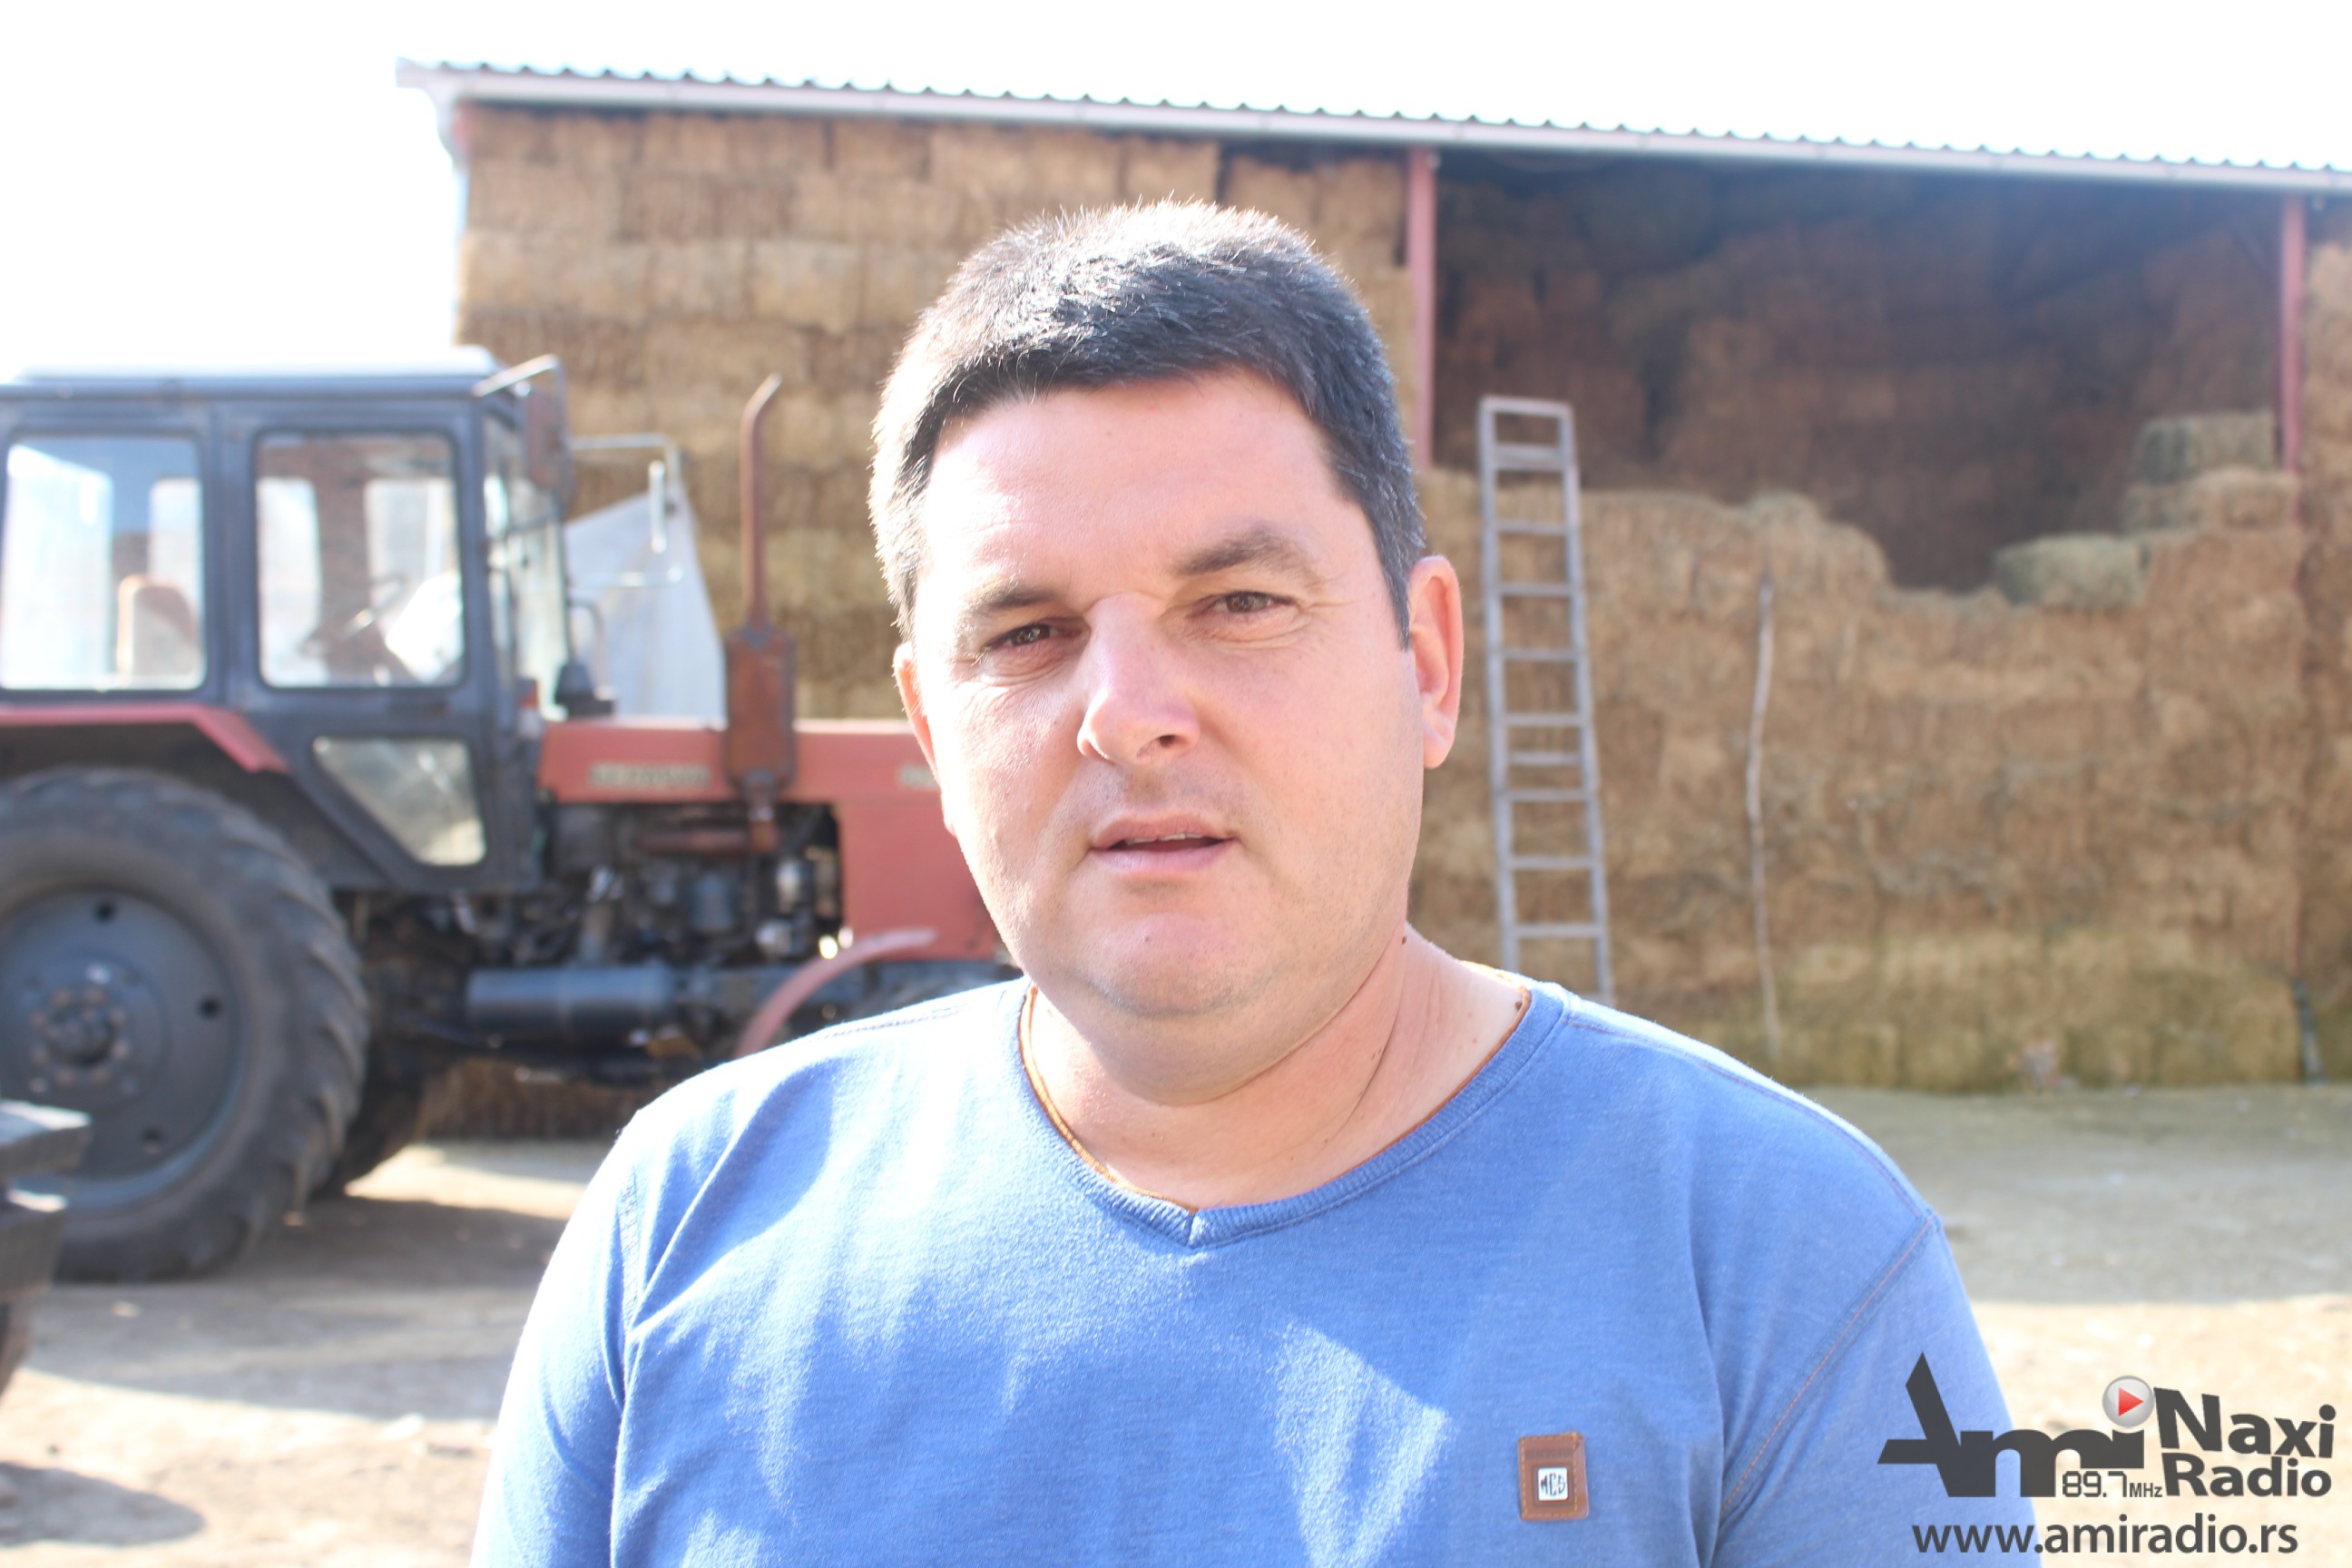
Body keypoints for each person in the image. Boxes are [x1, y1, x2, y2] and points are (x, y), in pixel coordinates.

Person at [475, 201, 2034, 1564]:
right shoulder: (678, 1232)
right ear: (931, 735)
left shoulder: (1774, 1267)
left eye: (1237, 601)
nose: (1127, 711)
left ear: (1426, 663)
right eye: (1027, 633)